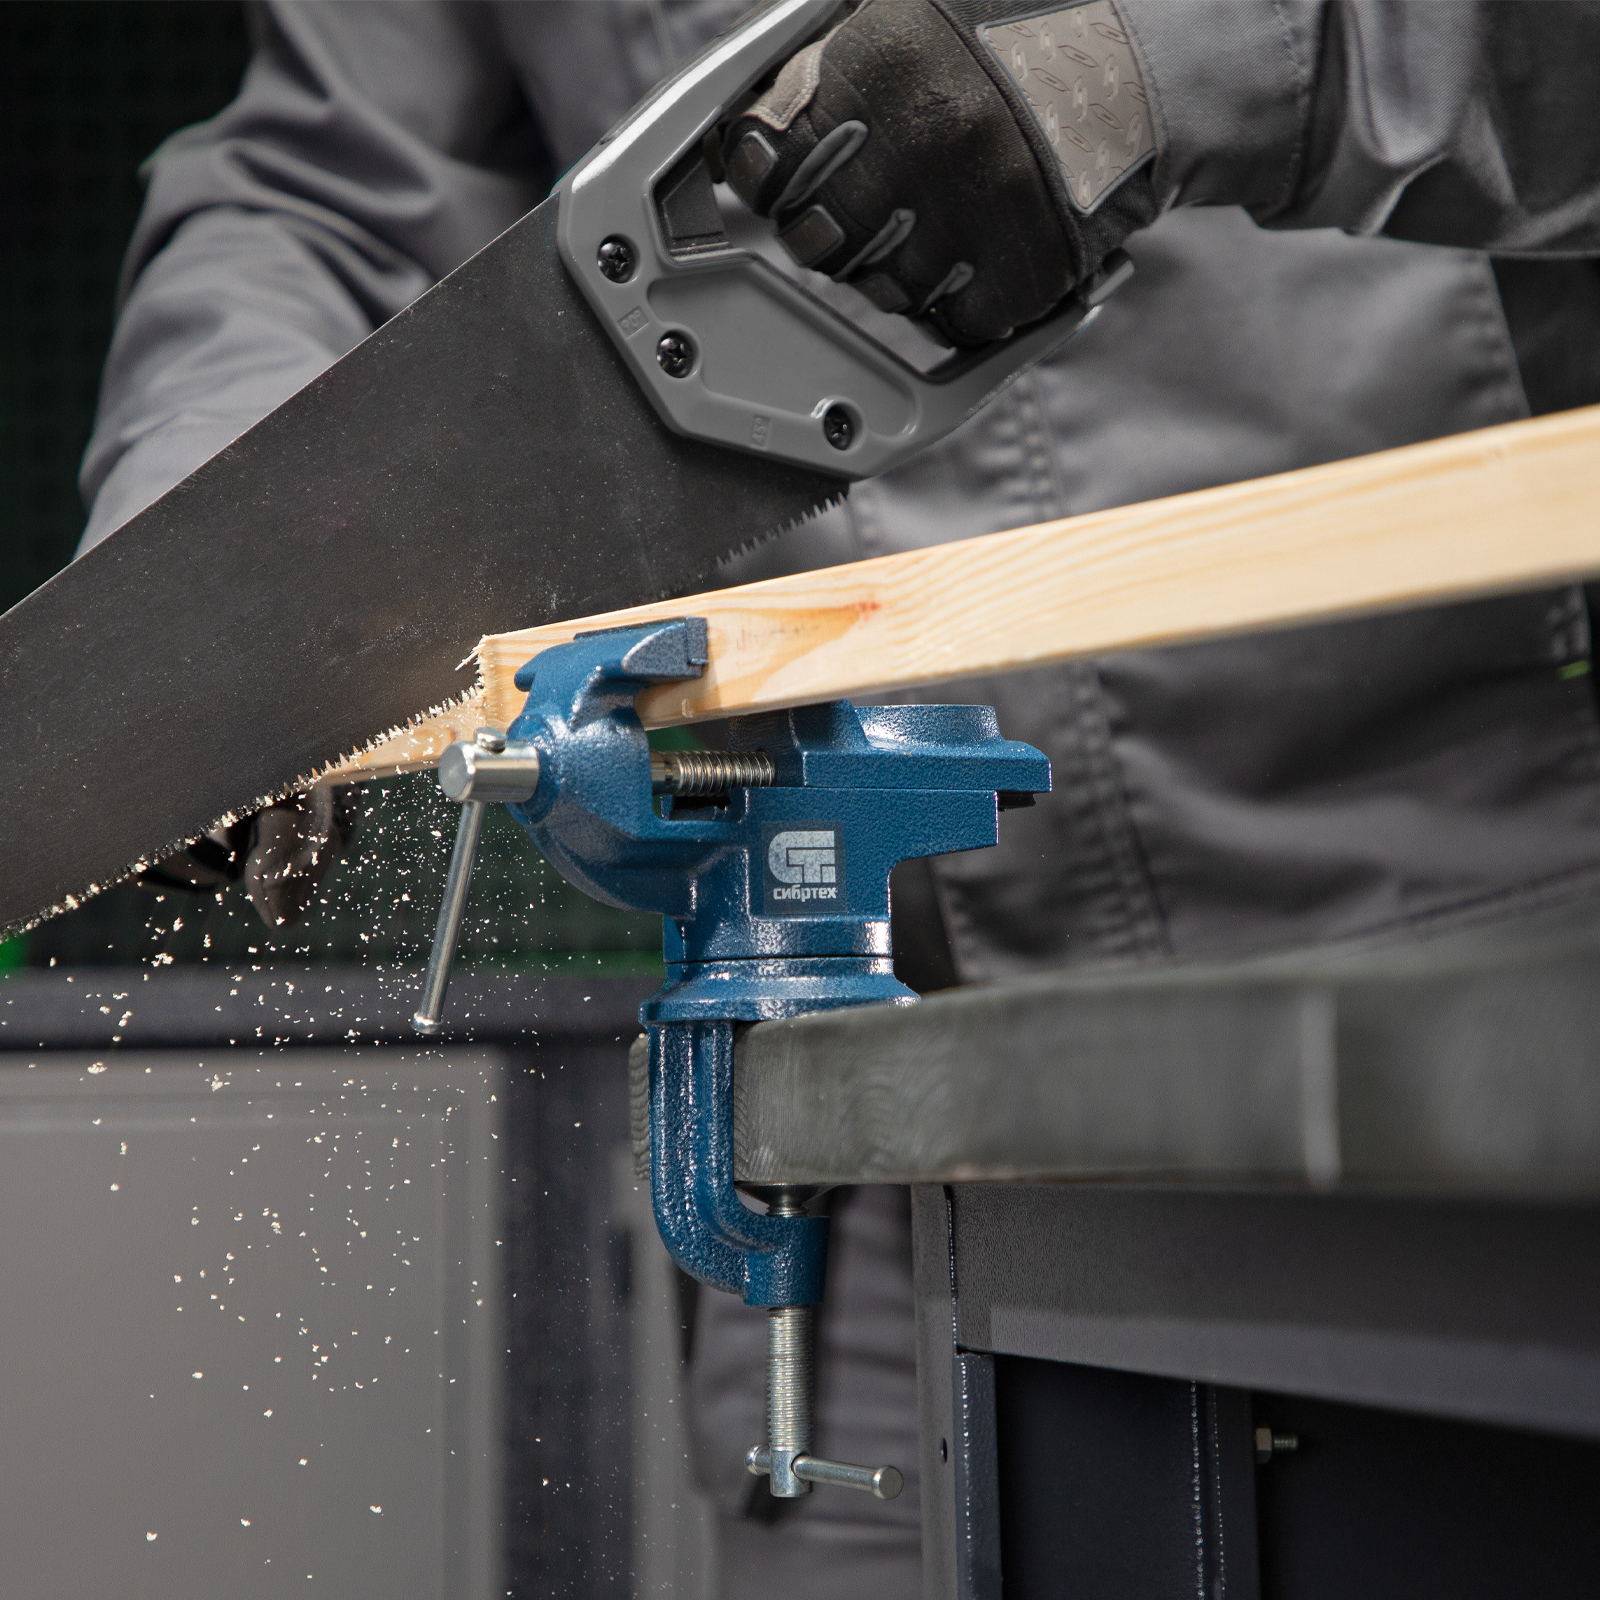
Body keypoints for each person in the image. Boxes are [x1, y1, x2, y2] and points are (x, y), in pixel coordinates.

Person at [78, 3, 1600, 1594]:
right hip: (848, 1113)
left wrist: (1172, 67)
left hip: (1457, 1048)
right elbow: (330, 201)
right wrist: (219, 567)